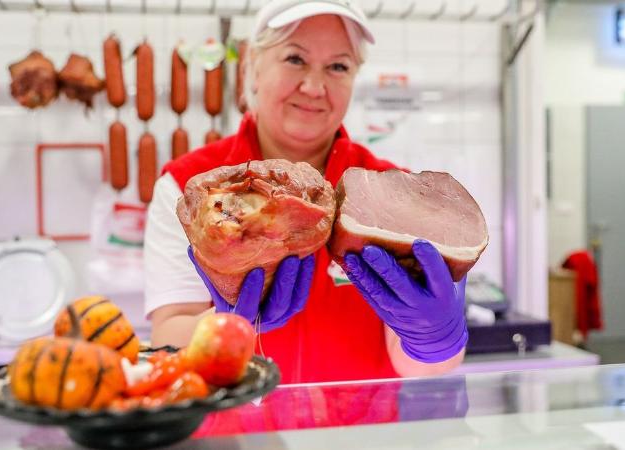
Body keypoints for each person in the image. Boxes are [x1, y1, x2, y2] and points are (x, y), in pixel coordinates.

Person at [144, 0, 468, 384]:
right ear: (253, 67)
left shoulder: (391, 194)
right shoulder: (189, 188)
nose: (314, 87)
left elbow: (418, 368)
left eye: (338, 66)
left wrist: (432, 340)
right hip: (234, 438)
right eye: (295, 59)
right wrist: (223, 324)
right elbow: (166, 339)